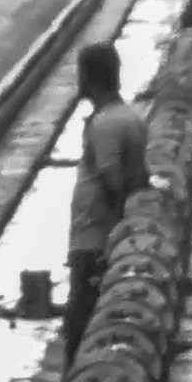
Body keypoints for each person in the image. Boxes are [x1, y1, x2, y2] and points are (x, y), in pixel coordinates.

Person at [63, 40, 151, 346]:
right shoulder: (129, 117)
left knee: (81, 328)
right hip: (112, 237)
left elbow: (114, 182)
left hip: (94, 241)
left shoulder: (105, 125)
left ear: (88, 77)